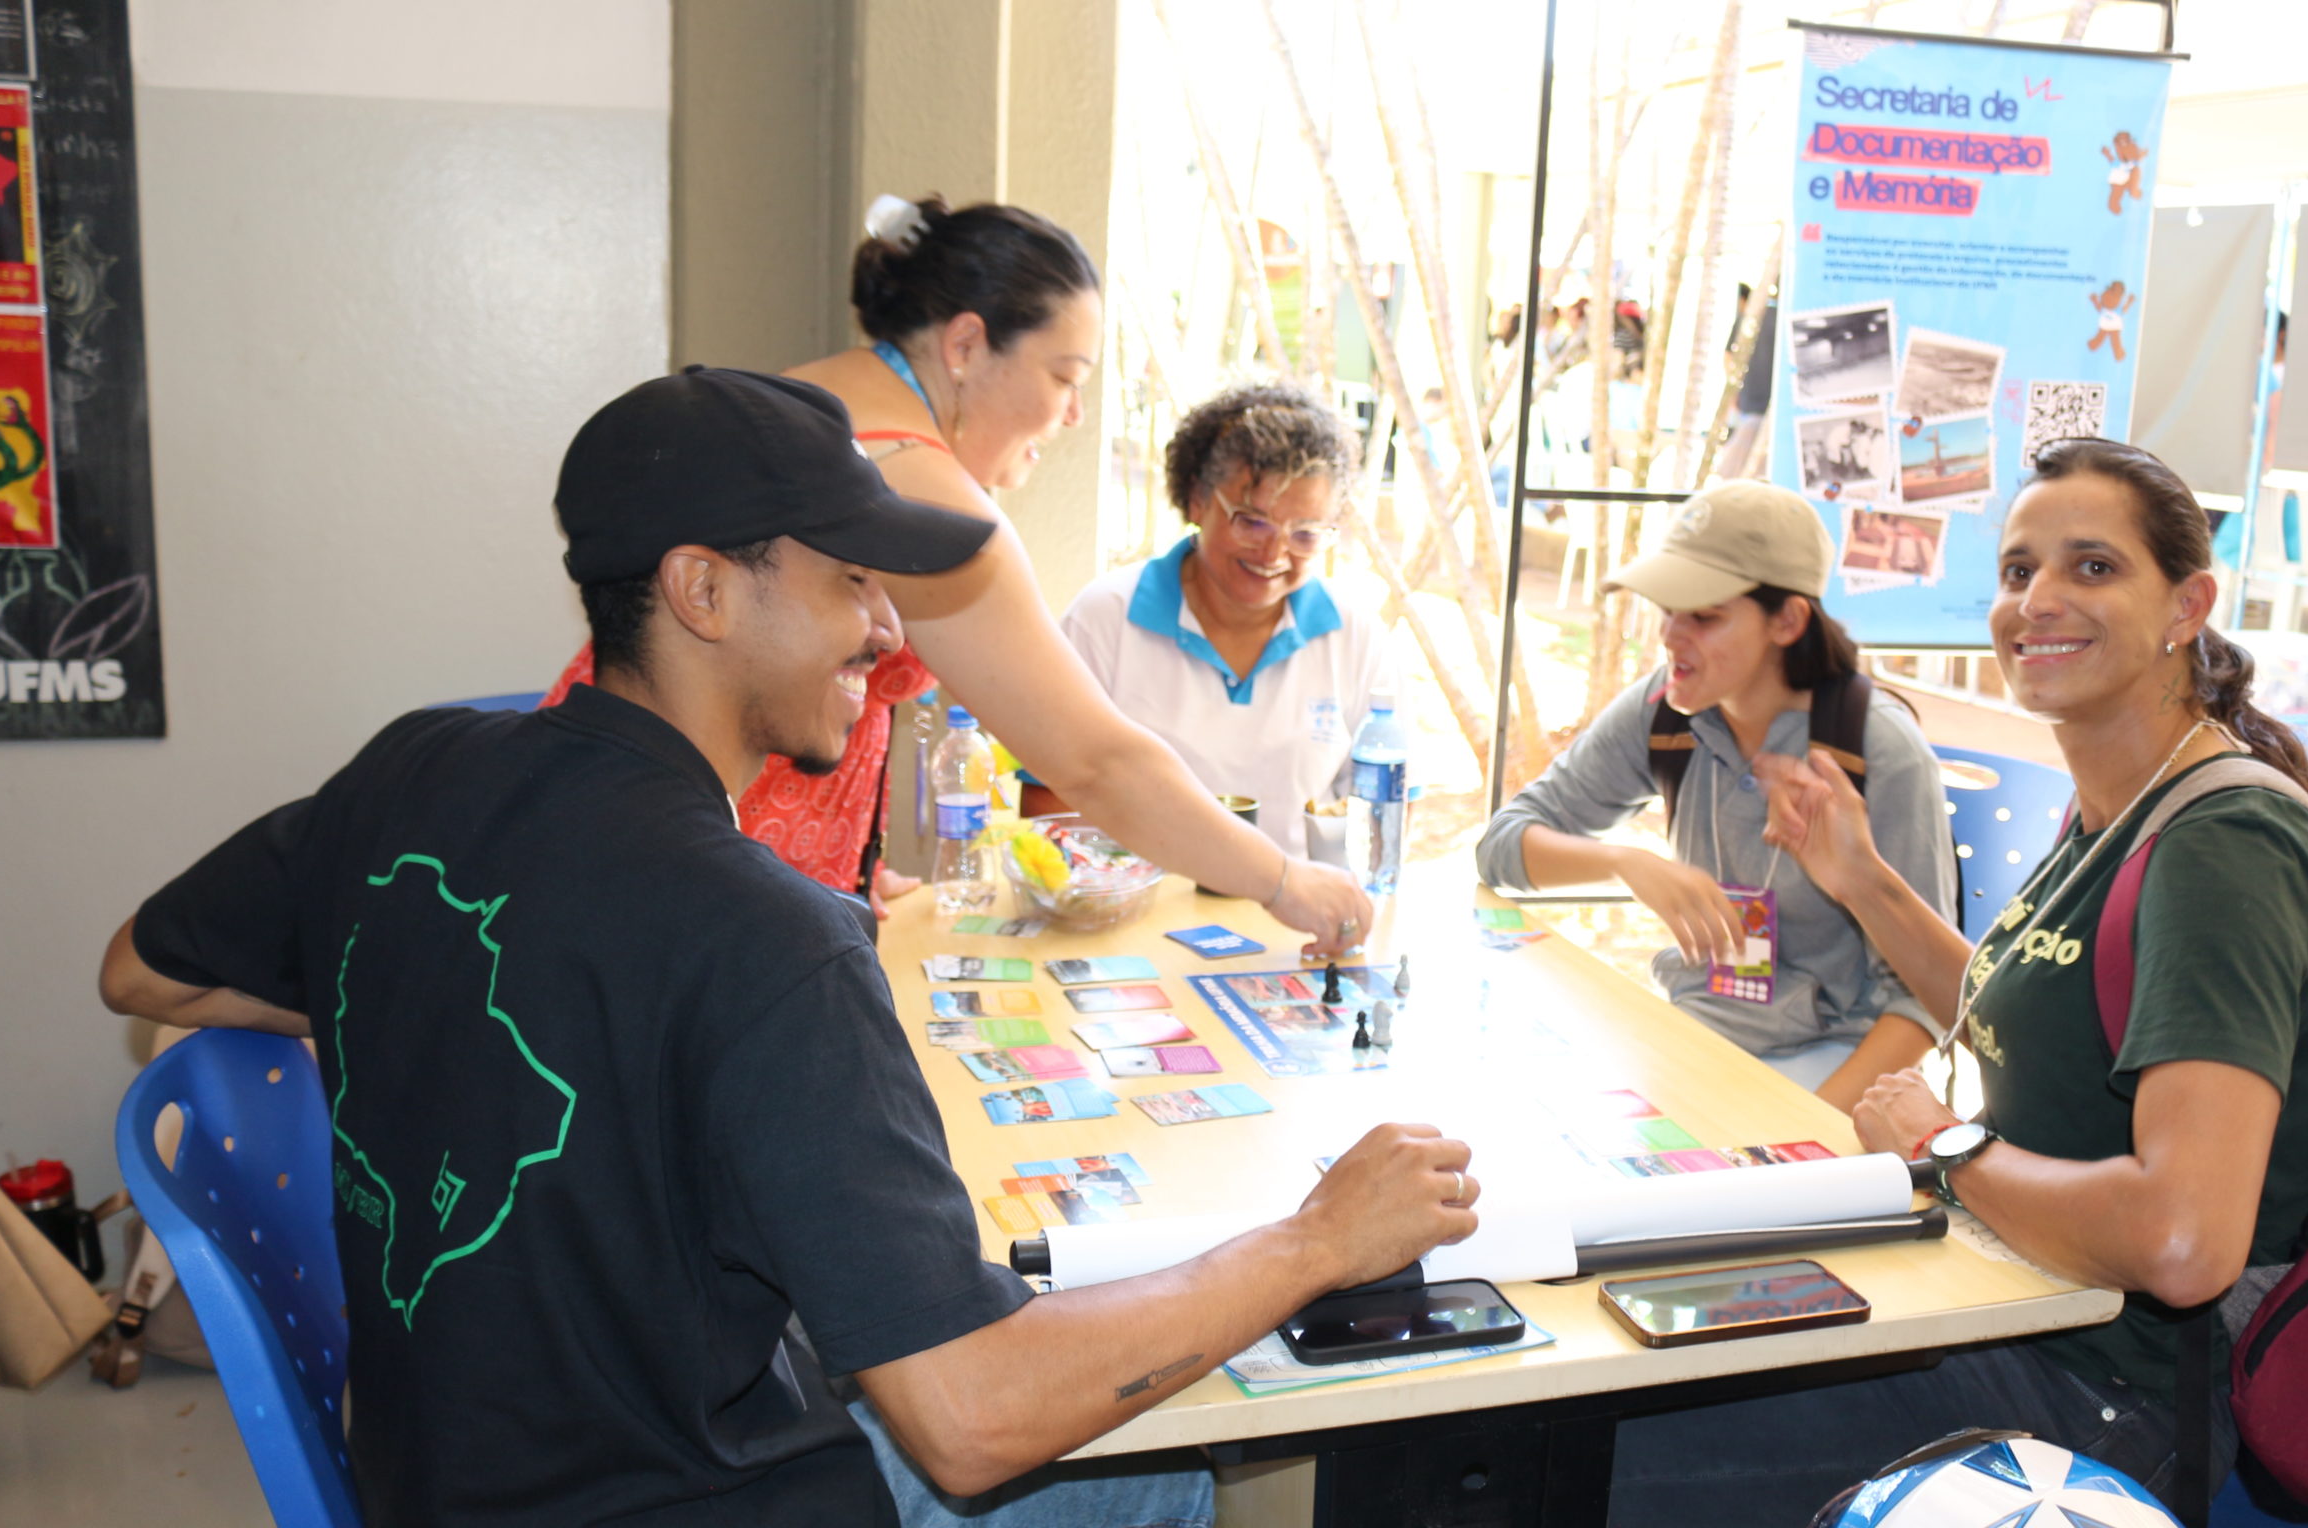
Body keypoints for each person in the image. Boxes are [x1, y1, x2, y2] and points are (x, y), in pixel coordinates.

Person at [97, 369, 1480, 1528]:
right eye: (849, 583)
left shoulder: (414, 764)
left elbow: (142, 970)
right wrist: (1315, 1238)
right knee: (1160, 1486)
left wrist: (428, 992)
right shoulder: (769, 938)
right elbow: (974, 1418)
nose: (886, 632)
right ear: (702, 589)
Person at [1591, 438, 2308, 1528]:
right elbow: (2021, 1007)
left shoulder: (2224, 849)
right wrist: (1863, 879)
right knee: (1609, 1343)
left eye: (2091, 567)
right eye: (2015, 570)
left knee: (1547, 1451)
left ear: (2186, 608)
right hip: (2013, 1300)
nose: (2035, 600)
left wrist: (1943, 1143)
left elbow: (2181, 1239)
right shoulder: (2119, 807)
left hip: (2107, 1397)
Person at [541, 194, 1372, 952]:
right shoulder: (919, 483)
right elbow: (1095, 762)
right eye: (1065, 377)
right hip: (685, 864)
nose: (1074, 415)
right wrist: (1281, 878)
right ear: (966, 344)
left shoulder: (800, 405)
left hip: (606, 789)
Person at [1474, 482, 1955, 1103]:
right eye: (1667, 609)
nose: (1670, 635)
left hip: (1839, 1062)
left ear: (1787, 621)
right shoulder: (1663, 709)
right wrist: (1625, 863)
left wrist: (1809, 1138)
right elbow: (1500, 847)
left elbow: (1922, 999)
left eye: (1703, 616)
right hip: (1696, 1036)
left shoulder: (1876, 748)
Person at [1030, 382, 1394, 862]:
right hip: (1142, 899)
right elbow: (1047, 800)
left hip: (1298, 901)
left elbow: (1387, 808)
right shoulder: (1104, 619)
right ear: (1198, 500)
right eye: (1252, 522)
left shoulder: (1354, 635)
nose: (1274, 553)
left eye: (1304, 534)